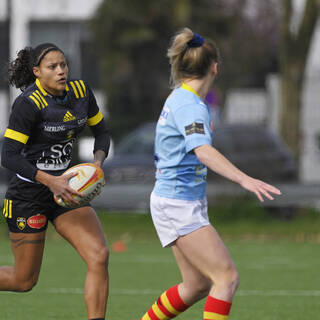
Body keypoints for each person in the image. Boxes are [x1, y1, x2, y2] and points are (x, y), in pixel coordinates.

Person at [139, 28, 281, 320]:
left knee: (196, 285)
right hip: (178, 204)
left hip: (174, 201)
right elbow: (202, 151)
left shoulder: (181, 97)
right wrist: (244, 178)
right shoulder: (190, 106)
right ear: (215, 66)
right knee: (226, 278)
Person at [0, 43, 110, 320]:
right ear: (37, 72)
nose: (61, 71)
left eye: (64, 65)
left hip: (67, 190)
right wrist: (50, 181)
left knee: (98, 255)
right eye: (53, 67)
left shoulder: (81, 92)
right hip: (28, 195)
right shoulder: (28, 104)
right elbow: (9, 156)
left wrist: (96, 164)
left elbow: (102, 133)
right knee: (23, 281)